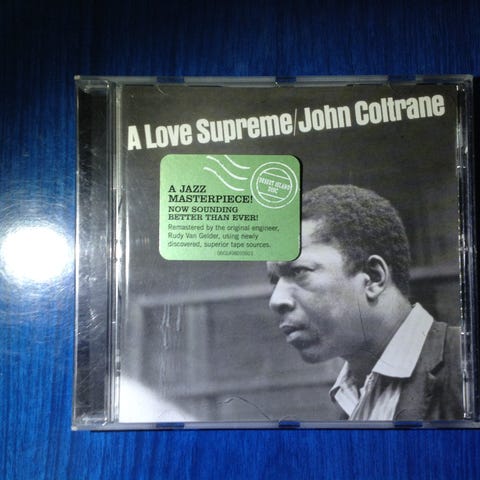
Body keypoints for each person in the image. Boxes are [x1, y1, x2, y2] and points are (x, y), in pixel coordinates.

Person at [267, 185, 462, 421]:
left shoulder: (466, 366)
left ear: (374, 277)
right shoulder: (348, 400)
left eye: (299, 271)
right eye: (274, 281)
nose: (276, 300)